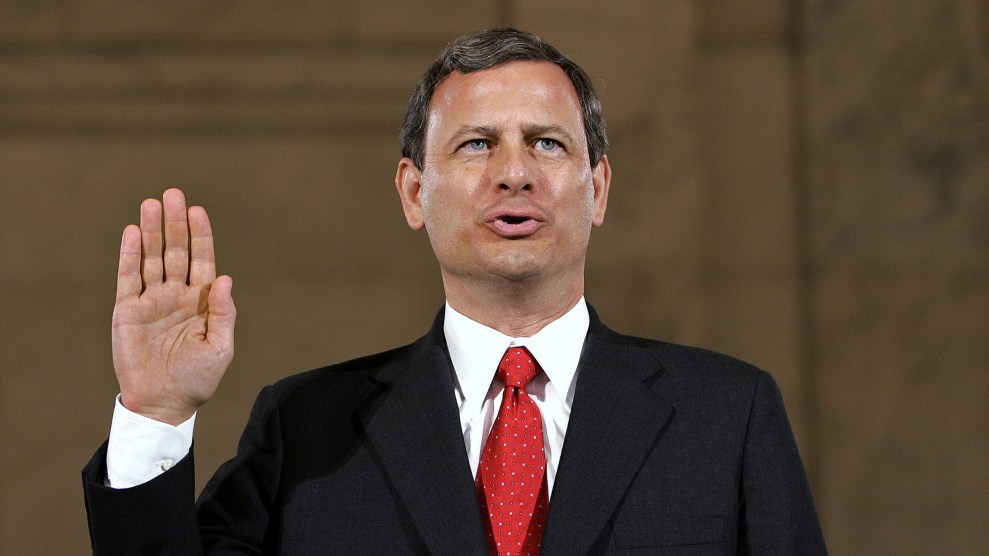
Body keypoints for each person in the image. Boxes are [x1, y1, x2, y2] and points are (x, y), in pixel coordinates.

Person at [82, 28, 827, 555]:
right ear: (414, 193)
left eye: (547, 143)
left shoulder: (729, 414)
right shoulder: (305, 428)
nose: (514, 174)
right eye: (476, 144)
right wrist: (155, 413)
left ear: (597, 189)